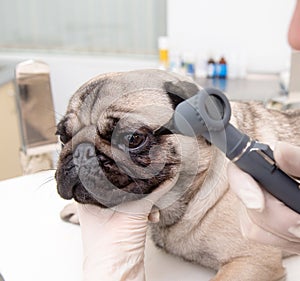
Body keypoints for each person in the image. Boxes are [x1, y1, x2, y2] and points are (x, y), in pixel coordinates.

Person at [77, 1, 300, 280]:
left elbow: (259, 264)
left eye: (132, 139)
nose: (85, 154)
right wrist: (96, 191)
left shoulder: (227, 183)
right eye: (67, 137)